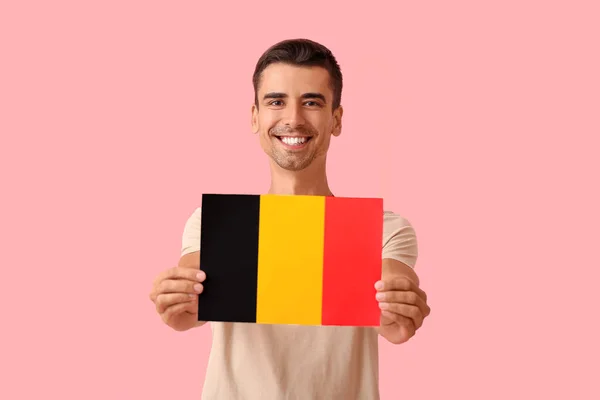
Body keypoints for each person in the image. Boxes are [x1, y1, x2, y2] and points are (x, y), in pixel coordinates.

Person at [149, 38, 431, 399]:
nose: (293, 119)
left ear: (336, 119)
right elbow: (189, 305)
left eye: (311, 102)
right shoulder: (215, 223)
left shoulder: (385, 229)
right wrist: (176, 302)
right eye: (276, 101)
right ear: (255, 117)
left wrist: (399, 312)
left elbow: (394, 323)